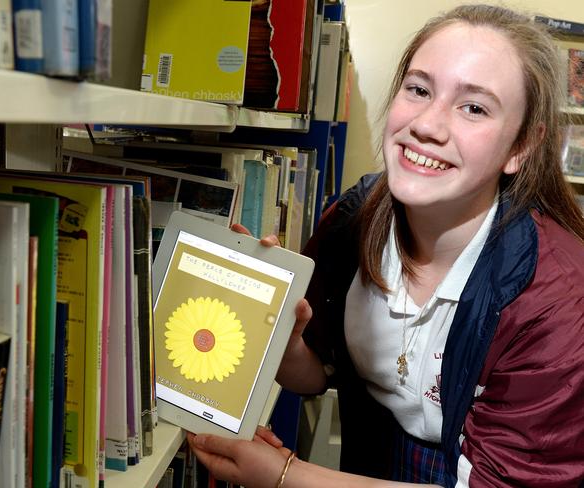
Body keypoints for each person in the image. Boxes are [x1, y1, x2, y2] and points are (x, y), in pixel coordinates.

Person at [187, 4, 584, 487]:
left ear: (521, 146)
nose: (427, 125)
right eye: (418, 89)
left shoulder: (559, 300)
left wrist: (285, 476)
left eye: (474, 107)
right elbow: (316, 374)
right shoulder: (356, 217)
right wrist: (283, 340)